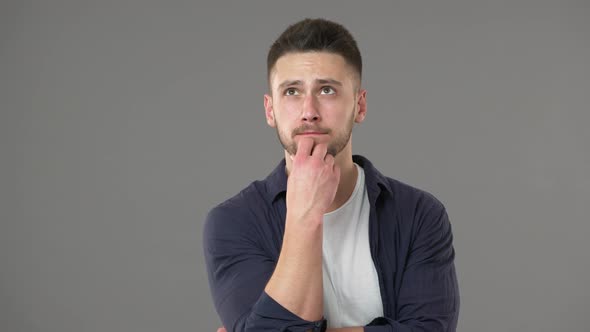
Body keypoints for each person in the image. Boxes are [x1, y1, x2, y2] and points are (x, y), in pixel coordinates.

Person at [203, 18, 460, 332]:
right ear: (270, 110)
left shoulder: (419, 214)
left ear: (359, 106)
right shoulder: (234, 222)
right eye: (292, 92)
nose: (309, 110)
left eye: (326, 90)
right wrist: (304, 215)